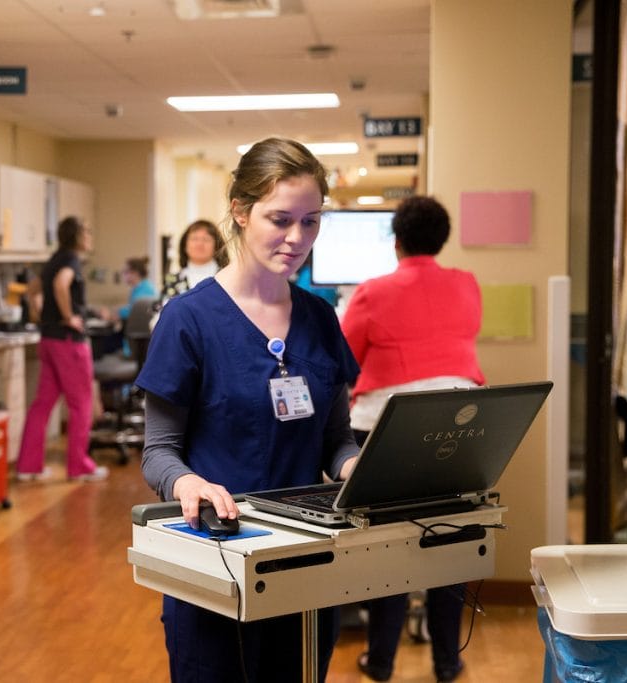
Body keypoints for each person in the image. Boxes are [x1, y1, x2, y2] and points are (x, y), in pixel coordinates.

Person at [137, 138, 360, 682]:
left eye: (311, 221)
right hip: (218, 555)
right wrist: (187, 485)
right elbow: (158, 452)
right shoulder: (188, 321)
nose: (297, 238)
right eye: (280, 218)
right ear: (238, 211)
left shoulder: (320, 319)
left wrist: (360, 470)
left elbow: (336, 439)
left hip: (308, 561)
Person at [339, 195, 485, 683]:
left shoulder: (372, 291)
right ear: (442, 240)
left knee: (390, 545)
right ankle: (447, 661)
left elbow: (345, 359)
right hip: (462, 421)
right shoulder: (466, 286)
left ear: (396, 241)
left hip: (385, 424)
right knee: (448, 541)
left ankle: (380, 660)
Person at [15, 216, 108, 483]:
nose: (89, 236)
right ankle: (79, 466)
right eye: (86, 232)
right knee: (81, 404)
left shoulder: (53, 260)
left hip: (48, 340)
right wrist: (67, 317)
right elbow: (60, 285)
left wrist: (41, 315)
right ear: (77, 237)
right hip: (68, 342)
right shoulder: (70, 261)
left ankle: (28, 466)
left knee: (42, 404)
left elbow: (32, 290)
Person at [176, 219, 228, 290]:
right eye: (194, 239)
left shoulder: (227, 278)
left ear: (217, 246)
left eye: (206, 239)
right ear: (184, 245)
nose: (199, 244)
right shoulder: (172, 280)